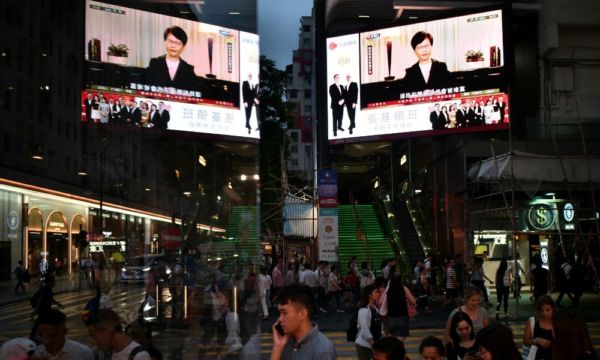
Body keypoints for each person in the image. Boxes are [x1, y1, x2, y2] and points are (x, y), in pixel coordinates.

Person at [270, 284, 336, 360]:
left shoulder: (322, 352)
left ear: (302, 314)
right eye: (280, 313)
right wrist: (278, 347)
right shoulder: (285, 341)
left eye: (285, 313)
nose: (280, 319)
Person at [146, 26, 198, 91]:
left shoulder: (188, 69)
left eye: (177, 43)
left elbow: (192, 92)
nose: (173, 46)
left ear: (183, 47)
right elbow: (148, 87)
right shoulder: (155, 63)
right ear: (165, 42)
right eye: (170, 41)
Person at [86, 309, 151, 360]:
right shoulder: (109, 353)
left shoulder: (139, 356)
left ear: (108, 331)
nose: (93, 341)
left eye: (93, 335)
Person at [30, 275, 65, 342]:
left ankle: (39, 335)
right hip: (43, 309)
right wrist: (35, 311)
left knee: (40, 322)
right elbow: (39, 300)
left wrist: (58, 304)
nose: (54, 283)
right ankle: (36, 335)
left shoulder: (49, 289)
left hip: (46, 309)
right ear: (49, 282)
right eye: (53, 282)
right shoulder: (44, 290)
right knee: (40, 322)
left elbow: (51, 299)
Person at [522, 295, 555, 360]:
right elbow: (525, 341)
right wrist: (536, 341)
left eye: (548, 310)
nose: (545, 313)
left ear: (553, 309)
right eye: (542, 310)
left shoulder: (557, 322)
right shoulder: (532, 321)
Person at [355, 284, 382, 360]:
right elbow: (364, 330)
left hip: (374, 345)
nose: (378, 294)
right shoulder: (364, 311)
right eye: (376, 292)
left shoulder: (375, 309)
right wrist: (373, 344)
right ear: (369, 295)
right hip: (365, 346)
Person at [386, 274, 413, 341]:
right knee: (400, 342)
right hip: (403, 317)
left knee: (392, 341)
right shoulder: (404, 288)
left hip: (391, 317)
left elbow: (381, 301)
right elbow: (413, 301)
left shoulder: (388, 289)